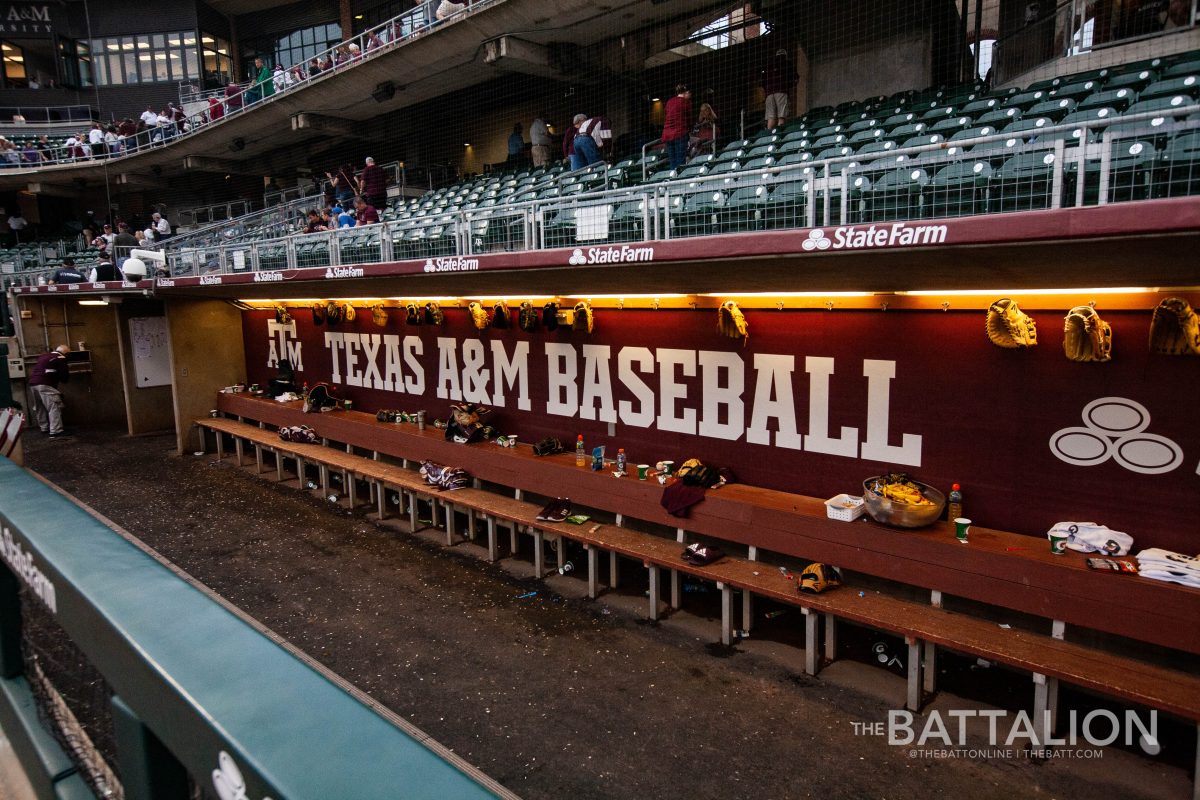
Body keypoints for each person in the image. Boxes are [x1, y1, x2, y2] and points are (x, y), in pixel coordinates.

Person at [29, 345, 71, 437]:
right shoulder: (61, 358)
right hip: (45, 384)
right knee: (54, 406)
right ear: (66, 353)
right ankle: (56, 431)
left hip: (33, 383)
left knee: (40, 407)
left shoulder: (43, 356)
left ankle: (44, 428)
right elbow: (64, 376)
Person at [762, 47, 797, 130]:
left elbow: (762, 82)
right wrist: (790, 86)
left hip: (769, 94)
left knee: (771, 118)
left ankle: (769, 136)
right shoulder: (787, 63)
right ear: (785, 55)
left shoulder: (769, 66)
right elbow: (796, 79)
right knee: (781, 116)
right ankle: (779, 134)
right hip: (781, 91)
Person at [661, 84, 692, 170]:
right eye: (690, 94)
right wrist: (690, 128)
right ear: (686, 92)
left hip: (668, 135)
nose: (690, 96)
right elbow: (689, 119)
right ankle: (679, 180)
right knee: (680, 160)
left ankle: (673, 179)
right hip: (680, 133)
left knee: (672, 161)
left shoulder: (669, 101)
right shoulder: (686, 102)